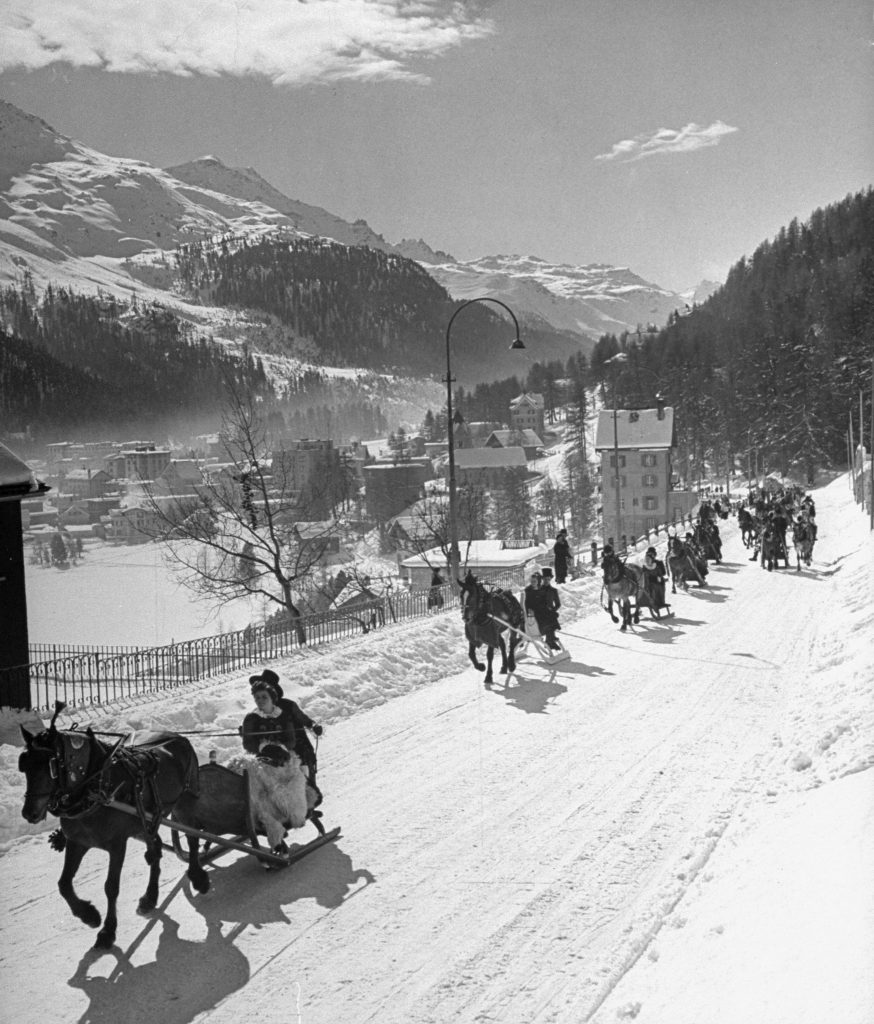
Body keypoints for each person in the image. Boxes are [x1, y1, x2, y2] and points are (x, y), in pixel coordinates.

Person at [242, 669, 323, 787]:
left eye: (265, 695)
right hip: (265, 755)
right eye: (258, 696)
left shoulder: (288, 706)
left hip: (297, 747)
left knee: (303, 783)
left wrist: (313, 726)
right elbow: (249, 741)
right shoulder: (254, 716)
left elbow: (304, 720)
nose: (261, 699)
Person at [523, 570, 562, 650]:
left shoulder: (541, 590)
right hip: (534, 612)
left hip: (543, 610)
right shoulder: (528, 590)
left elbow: (543, 601)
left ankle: (550, 639)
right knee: (547, 618)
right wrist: (529, 610)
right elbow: (526, 603)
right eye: (532, 581)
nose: (533, 582)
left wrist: (551, 609)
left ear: (538, 581)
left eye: (535, 581)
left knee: (552, 616)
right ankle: (550, 639)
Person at [641, 546, 669, 614]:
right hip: (648, 581)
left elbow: (663, 572)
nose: (651, 555)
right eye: (649, 554)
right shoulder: (645, 565)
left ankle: (659, 602)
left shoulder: (659, 563)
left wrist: (659, 576)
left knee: (656, 587)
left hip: (658, 581)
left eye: (652, 554)